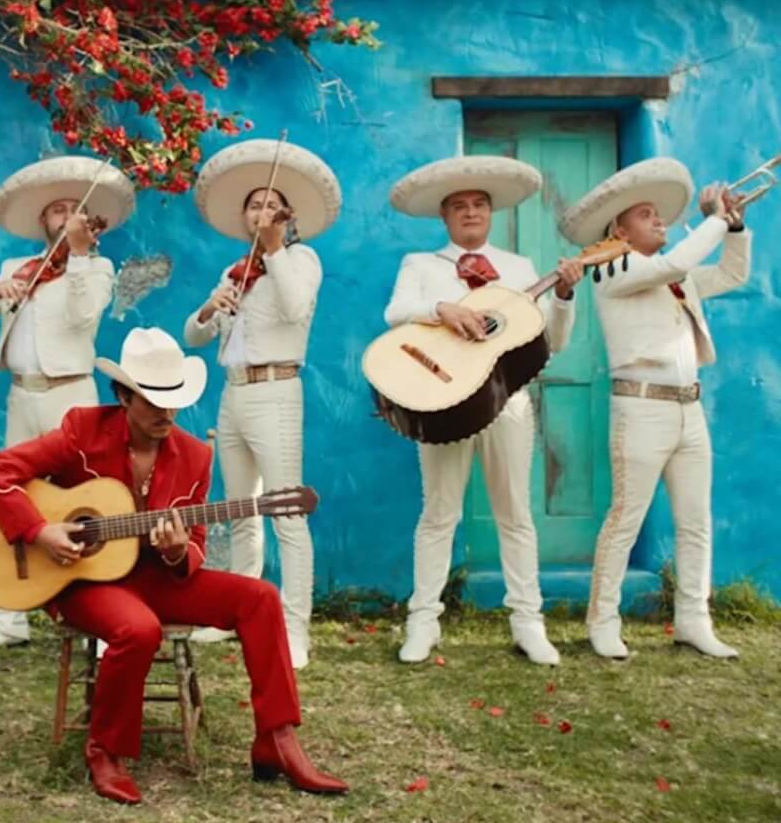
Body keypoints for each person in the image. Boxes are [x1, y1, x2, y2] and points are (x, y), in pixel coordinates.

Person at [0, 327, 348, 803]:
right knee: (139, 629)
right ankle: (105, 751)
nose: (167, 413)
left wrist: (175, 552)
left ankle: (277, 740)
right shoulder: (82, 431)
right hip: (79, 578)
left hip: (152, 577)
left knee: (259, 598)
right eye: (153, 401)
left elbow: (191, 545)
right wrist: (39, 531)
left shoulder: (194, 456)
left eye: (174, 400)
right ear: (123, 396)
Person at [383, 156, 583, 666]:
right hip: (443, 405)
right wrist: (441, 309)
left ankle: (528, 623)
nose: (469, 212)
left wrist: (563, 295)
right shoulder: (422, 266)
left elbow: (552, 342)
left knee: (515, 514)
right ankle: (423, 622)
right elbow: (394, 313)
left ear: (490, 213)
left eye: (478, 204)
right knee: (438, 513)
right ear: (444, 217)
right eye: (458, 206)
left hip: (507, 404)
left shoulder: (518, 270)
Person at [560, 158, 750, 659]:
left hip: (689, 409)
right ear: (619, 230)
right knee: (626, 518)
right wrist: (713, 217)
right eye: (647, 214)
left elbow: (733, 272)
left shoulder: (678, 279)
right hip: (641, 410)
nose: (661, 219)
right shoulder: (611, 266)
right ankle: (602, 620)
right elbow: (670, 263)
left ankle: (693, 620)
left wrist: (736, 225)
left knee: (696, 521)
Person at [0, 156, 133, 656]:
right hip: (22, 394)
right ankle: (9, 616)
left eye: (72, 209)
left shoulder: (97, 266)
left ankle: (101, 615)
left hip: (70, 394)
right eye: (56, 210)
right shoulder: (17, 268)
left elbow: (83, 315)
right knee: (11, 494)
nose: (64, 215)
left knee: (88, 502)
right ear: (44, 222)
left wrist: (79, 254)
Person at [183, 139, 340, 670]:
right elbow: (195, 336)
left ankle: (295, 631)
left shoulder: (301, 259)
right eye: (255, 205)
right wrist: (210, 307)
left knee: (286, 512)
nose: (262, 211)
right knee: (239, 510)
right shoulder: (234, 272)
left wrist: (274, 249)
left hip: (277, 391)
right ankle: (233, 613)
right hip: (234, 392)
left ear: (288, 216)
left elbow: (296, 307)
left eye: (273, 204)